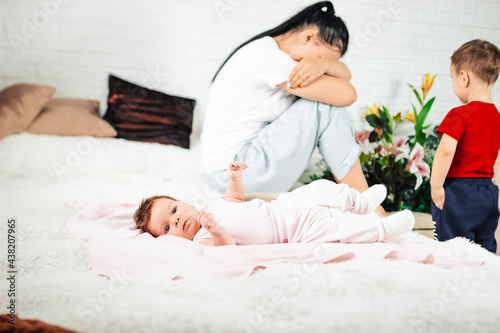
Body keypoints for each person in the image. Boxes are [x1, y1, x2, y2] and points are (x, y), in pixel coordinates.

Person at [201, 2, 385, 215]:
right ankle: (367, 206)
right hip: (236, 176)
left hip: (236, 173)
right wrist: (324, 67)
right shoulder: (268, 58)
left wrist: (323, 65)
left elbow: (346, 78)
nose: (319, 71)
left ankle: (364, 204)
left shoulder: (266, 50)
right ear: (308, 37)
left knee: (323, 103)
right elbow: (348, 95)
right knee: (322, 106)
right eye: (320, 60)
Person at [134, 162, 415, 246]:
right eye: (167, 227)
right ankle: (382, 230)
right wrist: (216, 228)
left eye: (173, 210)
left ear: (183, 203)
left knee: (321, 188)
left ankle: (359, 201)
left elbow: (235, 197)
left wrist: (235, 177)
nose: (177, 220)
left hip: (284, 206)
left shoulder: (211, 202)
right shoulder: (202, 238)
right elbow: (227, 248)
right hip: (293, 232)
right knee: (338, 230)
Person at [430, 39, 500, 253]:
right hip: (488, 192)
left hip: (459, 193)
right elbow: (495, 156)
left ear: (464, 77)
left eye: (453, 78)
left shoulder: (460, 114)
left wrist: (436, 185)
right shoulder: (496, 117)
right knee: (484, 246)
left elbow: (445, 150)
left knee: (452, 245)